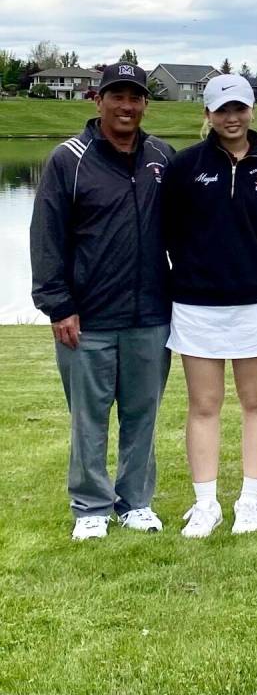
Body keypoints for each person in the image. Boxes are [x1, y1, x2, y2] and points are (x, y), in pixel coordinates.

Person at [30, 62, 173, 541]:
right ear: (98, 100)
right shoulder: (68, 160)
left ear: (145, 104)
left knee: (142, 414)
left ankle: (135, 502)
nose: (126, 106)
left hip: (151, 314)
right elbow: (47, 237)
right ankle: (91, 505)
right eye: (117, 96)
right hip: (86, 316)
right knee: (88, 417)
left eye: (135, 97)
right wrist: (57, 304)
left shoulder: (161, 156)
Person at [162, 74, 257, 538]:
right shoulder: (185, 165)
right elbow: (168, 230)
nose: (231, 118)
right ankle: (206, 503)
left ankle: (250, 501)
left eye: (239, 109)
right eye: (221, 110)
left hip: (256, 300)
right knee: (204, 405)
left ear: (251, 110)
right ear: (207, 115)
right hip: (196, 303)